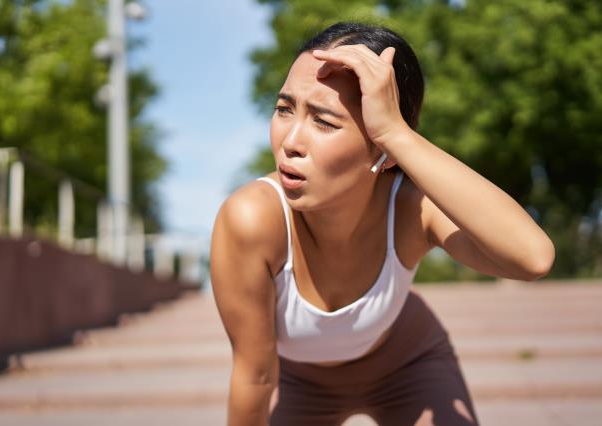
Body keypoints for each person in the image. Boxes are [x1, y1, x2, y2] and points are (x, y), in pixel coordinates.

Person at [210, 22, 555, 426]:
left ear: (383, 147)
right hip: (302, 385)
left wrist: (396, 133)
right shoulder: (252, 220)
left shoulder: (412, 207)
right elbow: (255, 375)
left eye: (323, 121)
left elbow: (532, 258)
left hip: (410, 365)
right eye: (285, 109)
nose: (290, 142)